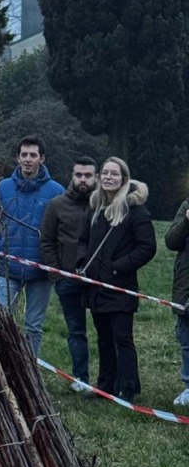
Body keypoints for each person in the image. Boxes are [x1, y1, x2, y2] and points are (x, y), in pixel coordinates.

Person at [81, 157, 156, 400]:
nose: (108, 177)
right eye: (105, 173)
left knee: (122, 338)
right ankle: (106, 385)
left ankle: (128, 386)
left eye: (114, 174)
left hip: (120, 286)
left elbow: (147, 247)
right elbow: (83, 242)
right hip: (96, 286)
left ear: (124, 179)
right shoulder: (94, 209)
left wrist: (117, 267)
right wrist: (83, 264)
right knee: (103, 338)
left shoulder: (136, 211)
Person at [0, 136, 64, 356]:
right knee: (0, 320)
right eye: (24, 155)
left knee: (33, 326)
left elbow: (64, 229)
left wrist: (53, 259)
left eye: (33, 155)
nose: (28, 159)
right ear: (18, 158)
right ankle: (2, 366)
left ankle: (30, 367)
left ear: (42, 158)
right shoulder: (3, 188)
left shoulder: (56, 192)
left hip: (40, 271)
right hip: (8, 268)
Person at [39, 156, 98, 389]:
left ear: (96, 177)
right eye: (79, 175)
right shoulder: (56, 205)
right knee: (76, 331)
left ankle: (109, 382)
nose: (83, 179)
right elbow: (47, 241)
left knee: (107, 332)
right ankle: (81, 378)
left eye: (88, 175)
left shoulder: (103, 205)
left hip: (99, 280)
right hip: (68, 279)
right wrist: (57, 275)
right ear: (72, 176)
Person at [163, 196, 189, 407]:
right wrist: (187, 221)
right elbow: (171, 241)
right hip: (186, 286)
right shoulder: (187, 205)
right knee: (187, 340)